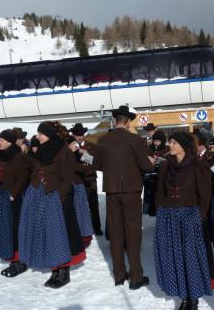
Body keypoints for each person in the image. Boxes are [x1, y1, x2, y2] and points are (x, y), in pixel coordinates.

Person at [19, 121, 85, 288]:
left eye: (41, 134)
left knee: (60, 235)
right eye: (38, 133)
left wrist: (58, 197)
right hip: (40, 196)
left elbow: (68, 176)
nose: (38, 136)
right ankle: (55, 269)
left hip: (57, 198)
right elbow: (34, 170)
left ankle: (64, 272)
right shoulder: (40, 150)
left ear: (49, 135)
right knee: (48, 234)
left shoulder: (63, 151)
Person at [96, 105, 154, 289]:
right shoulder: (135, 140)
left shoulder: (103, 139)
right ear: (128, 122)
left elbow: (97, 164)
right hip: (131, 190)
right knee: (133, 232)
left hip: (112, 190)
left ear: (115, 120)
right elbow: (146, 166)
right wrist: (150, 162)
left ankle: (119, 274)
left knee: (116, 232)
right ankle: (136, 276)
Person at [154, 131, 212, 310]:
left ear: (184, 146)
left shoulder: (197, 165)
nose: (169, 145)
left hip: (190, 216)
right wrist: (161, 211)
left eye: (173, 143)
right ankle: (184, 296)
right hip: (168, 217)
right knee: (174, 257)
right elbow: (159, 192)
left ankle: (193, 297)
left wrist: (198, 215)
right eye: (169, 142)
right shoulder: (165, 166)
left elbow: (205, 194)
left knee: (191, 257)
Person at [0, 129, 29, 277]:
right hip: (1, 195)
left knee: (15, 227)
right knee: (4, 227)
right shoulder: (1, 155)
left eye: (2, 140)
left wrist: (13, 194)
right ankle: (11, 257)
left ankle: (19, 261)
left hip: (14, 198)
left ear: (10, 142)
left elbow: (23, 177)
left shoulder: (19, 156)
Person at [69, 123, 103, 236]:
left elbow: (96, 164)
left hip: (89, 179)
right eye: (77, 135)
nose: (79, 137)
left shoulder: (92, 146)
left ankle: (96, 227)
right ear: (73, 135)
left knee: (93, 204)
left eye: (81, 134)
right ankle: (79, 228)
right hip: (75, 180)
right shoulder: (68, 147)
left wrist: (84, 155)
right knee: (77, 205)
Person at [66, 135, 94, 247]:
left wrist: (85, 153)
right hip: (70, 187)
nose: (75, 146)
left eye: (75, 144)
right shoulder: (65, 157)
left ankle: (84, 235)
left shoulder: (79, 154)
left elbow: (91, 164)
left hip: (79, 186)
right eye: (72, 144)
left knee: (82, 211)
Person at [143, 129, 169, 216]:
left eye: (158, 141)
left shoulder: (167, 149)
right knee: (153, 201)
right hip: (151, 178)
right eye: (154, 141)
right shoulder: (150, 148)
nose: (156, 143)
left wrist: (159, 160)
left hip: (163, 178)